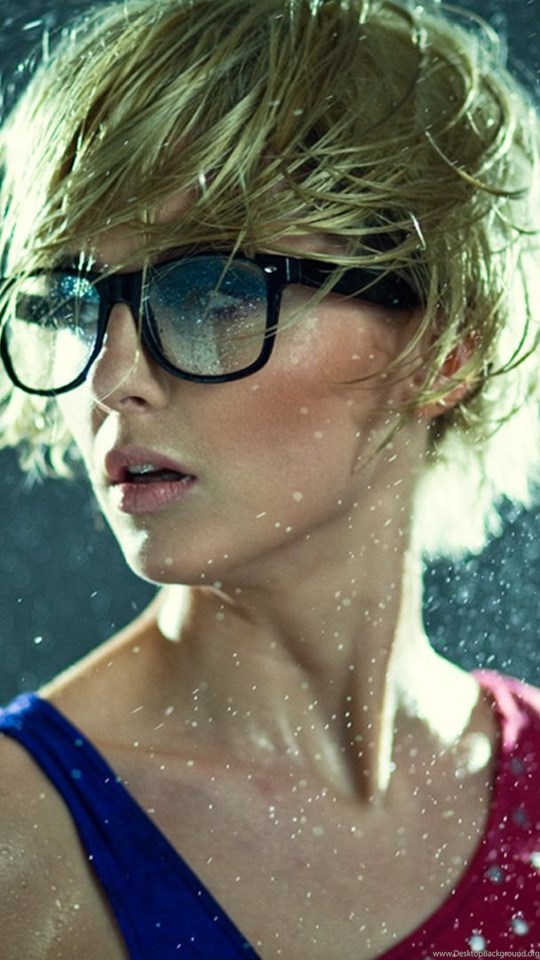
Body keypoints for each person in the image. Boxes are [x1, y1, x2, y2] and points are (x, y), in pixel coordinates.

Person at [0, 0, 539, 957]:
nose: (110, 380)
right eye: (73, 303)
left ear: (447, 346)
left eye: (211, 291)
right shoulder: (20, 845)